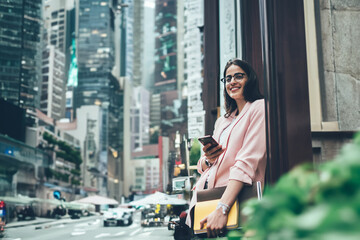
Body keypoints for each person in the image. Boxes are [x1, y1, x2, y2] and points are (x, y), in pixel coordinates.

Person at [185, 58, 267, 238]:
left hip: (230, 202)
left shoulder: (259, 108)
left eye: (239, 76)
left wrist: (222, 209)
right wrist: (208, 159)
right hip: (205, 201)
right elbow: (203, 165)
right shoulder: (222, 121)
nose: (232, 82)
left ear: (250, 79)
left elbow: (246, 163)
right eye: (228, 79)